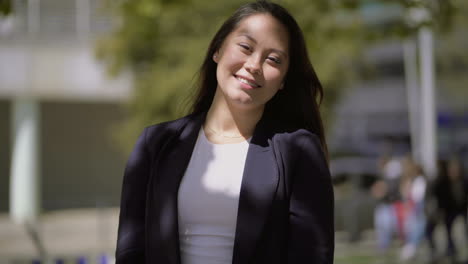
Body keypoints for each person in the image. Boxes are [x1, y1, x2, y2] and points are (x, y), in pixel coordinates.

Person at [115, 1, 334, 264]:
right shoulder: (156, 144)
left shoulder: (297, 151)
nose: (254, 65)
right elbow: (131, 251)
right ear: (218, 49)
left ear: (284, 79)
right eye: (245, 47)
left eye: (273, 59)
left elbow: (311, 257)